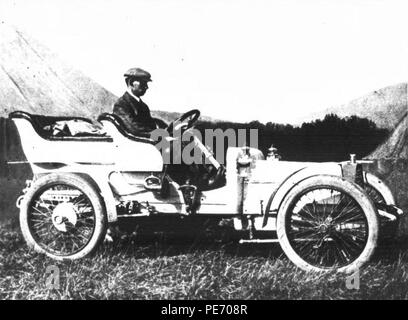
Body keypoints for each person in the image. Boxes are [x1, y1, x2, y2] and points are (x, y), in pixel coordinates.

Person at [113, 67, 167, 138]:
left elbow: (150, 124)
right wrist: (160, 134)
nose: (147, 87)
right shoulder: (121, 105)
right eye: (143, 83)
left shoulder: (144, 106)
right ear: (132, 83)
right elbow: (134, 129)